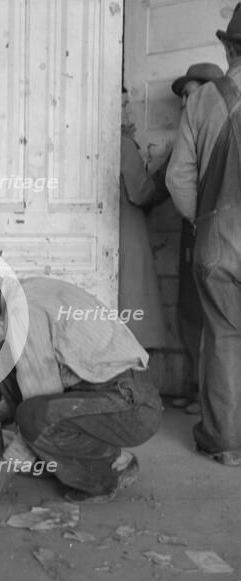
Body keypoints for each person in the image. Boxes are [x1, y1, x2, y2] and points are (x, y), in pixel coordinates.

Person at [0, 249, 163, 502]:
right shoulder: (25, 292)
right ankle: (50, 453)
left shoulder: (22, 310)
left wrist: (7, 468)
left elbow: (42, 403)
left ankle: (111, 467)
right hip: (108, 390)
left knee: (34, 416)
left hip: (132, 405)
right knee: (4, 357)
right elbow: (35, 382)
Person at [166, 5, 241, 464]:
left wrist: (204, 220)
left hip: (218, 241)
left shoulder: (203, 100)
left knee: (224, 339)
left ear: (228, 47)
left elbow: (178, 178)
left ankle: (227, 442)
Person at [154, 63, 224, 415]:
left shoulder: (217, 123)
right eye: (183, 96)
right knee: (190, 312)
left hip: (209, 228)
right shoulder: (188, 134)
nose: (186, 103)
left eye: (191, 93)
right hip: (194, 230)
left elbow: (173, 179)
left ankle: (212, 402)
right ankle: (198, 391)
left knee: (216, 320)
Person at [119, 88, 168, 349]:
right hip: (128, 236)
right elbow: (141, 193)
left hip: (106, 234)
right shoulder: (124, 145)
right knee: (133, 302)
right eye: (123, 105)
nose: (127, 112)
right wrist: (161, 173)